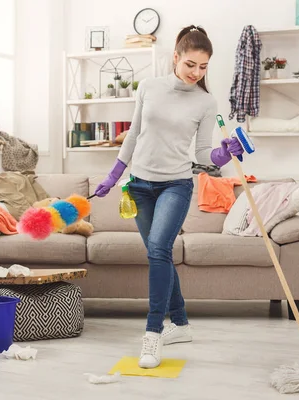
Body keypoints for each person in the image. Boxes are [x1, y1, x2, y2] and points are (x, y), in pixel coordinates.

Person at [94, 25, 244, 369]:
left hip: (176, 184)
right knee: (157, 254)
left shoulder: (206, 101)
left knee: (159, 251)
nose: (196, 73)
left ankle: (153, 334)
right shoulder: (148, 87)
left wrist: (225, 153)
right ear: (175, 57)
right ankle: (181, 322)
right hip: (140, 185)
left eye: (203, 67)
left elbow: (205, 155)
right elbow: (133, 134)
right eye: (191, 64)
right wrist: (113, 175)